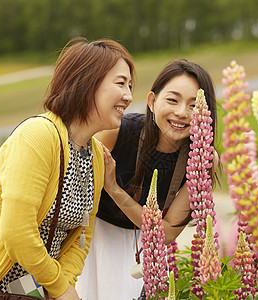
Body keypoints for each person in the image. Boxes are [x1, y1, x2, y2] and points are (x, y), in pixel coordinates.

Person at [0, 37, 134, 300]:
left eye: (130, 85)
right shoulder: (38, 135)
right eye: (121, 83)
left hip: (30, 289)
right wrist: (59, 286)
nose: (129, 96)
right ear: (88, 82)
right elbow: (17, 232)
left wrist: (63, 287)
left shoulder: (96, 157)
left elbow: (82, 236)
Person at [76, 59, 218, 300]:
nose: (182, 113)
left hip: (145, 247)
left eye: (194, 106)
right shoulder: (116, 132)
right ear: (152, 101)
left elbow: (168, 231)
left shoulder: (202, 155)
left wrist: (114, 189)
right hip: (91, 236)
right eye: (172, 100)